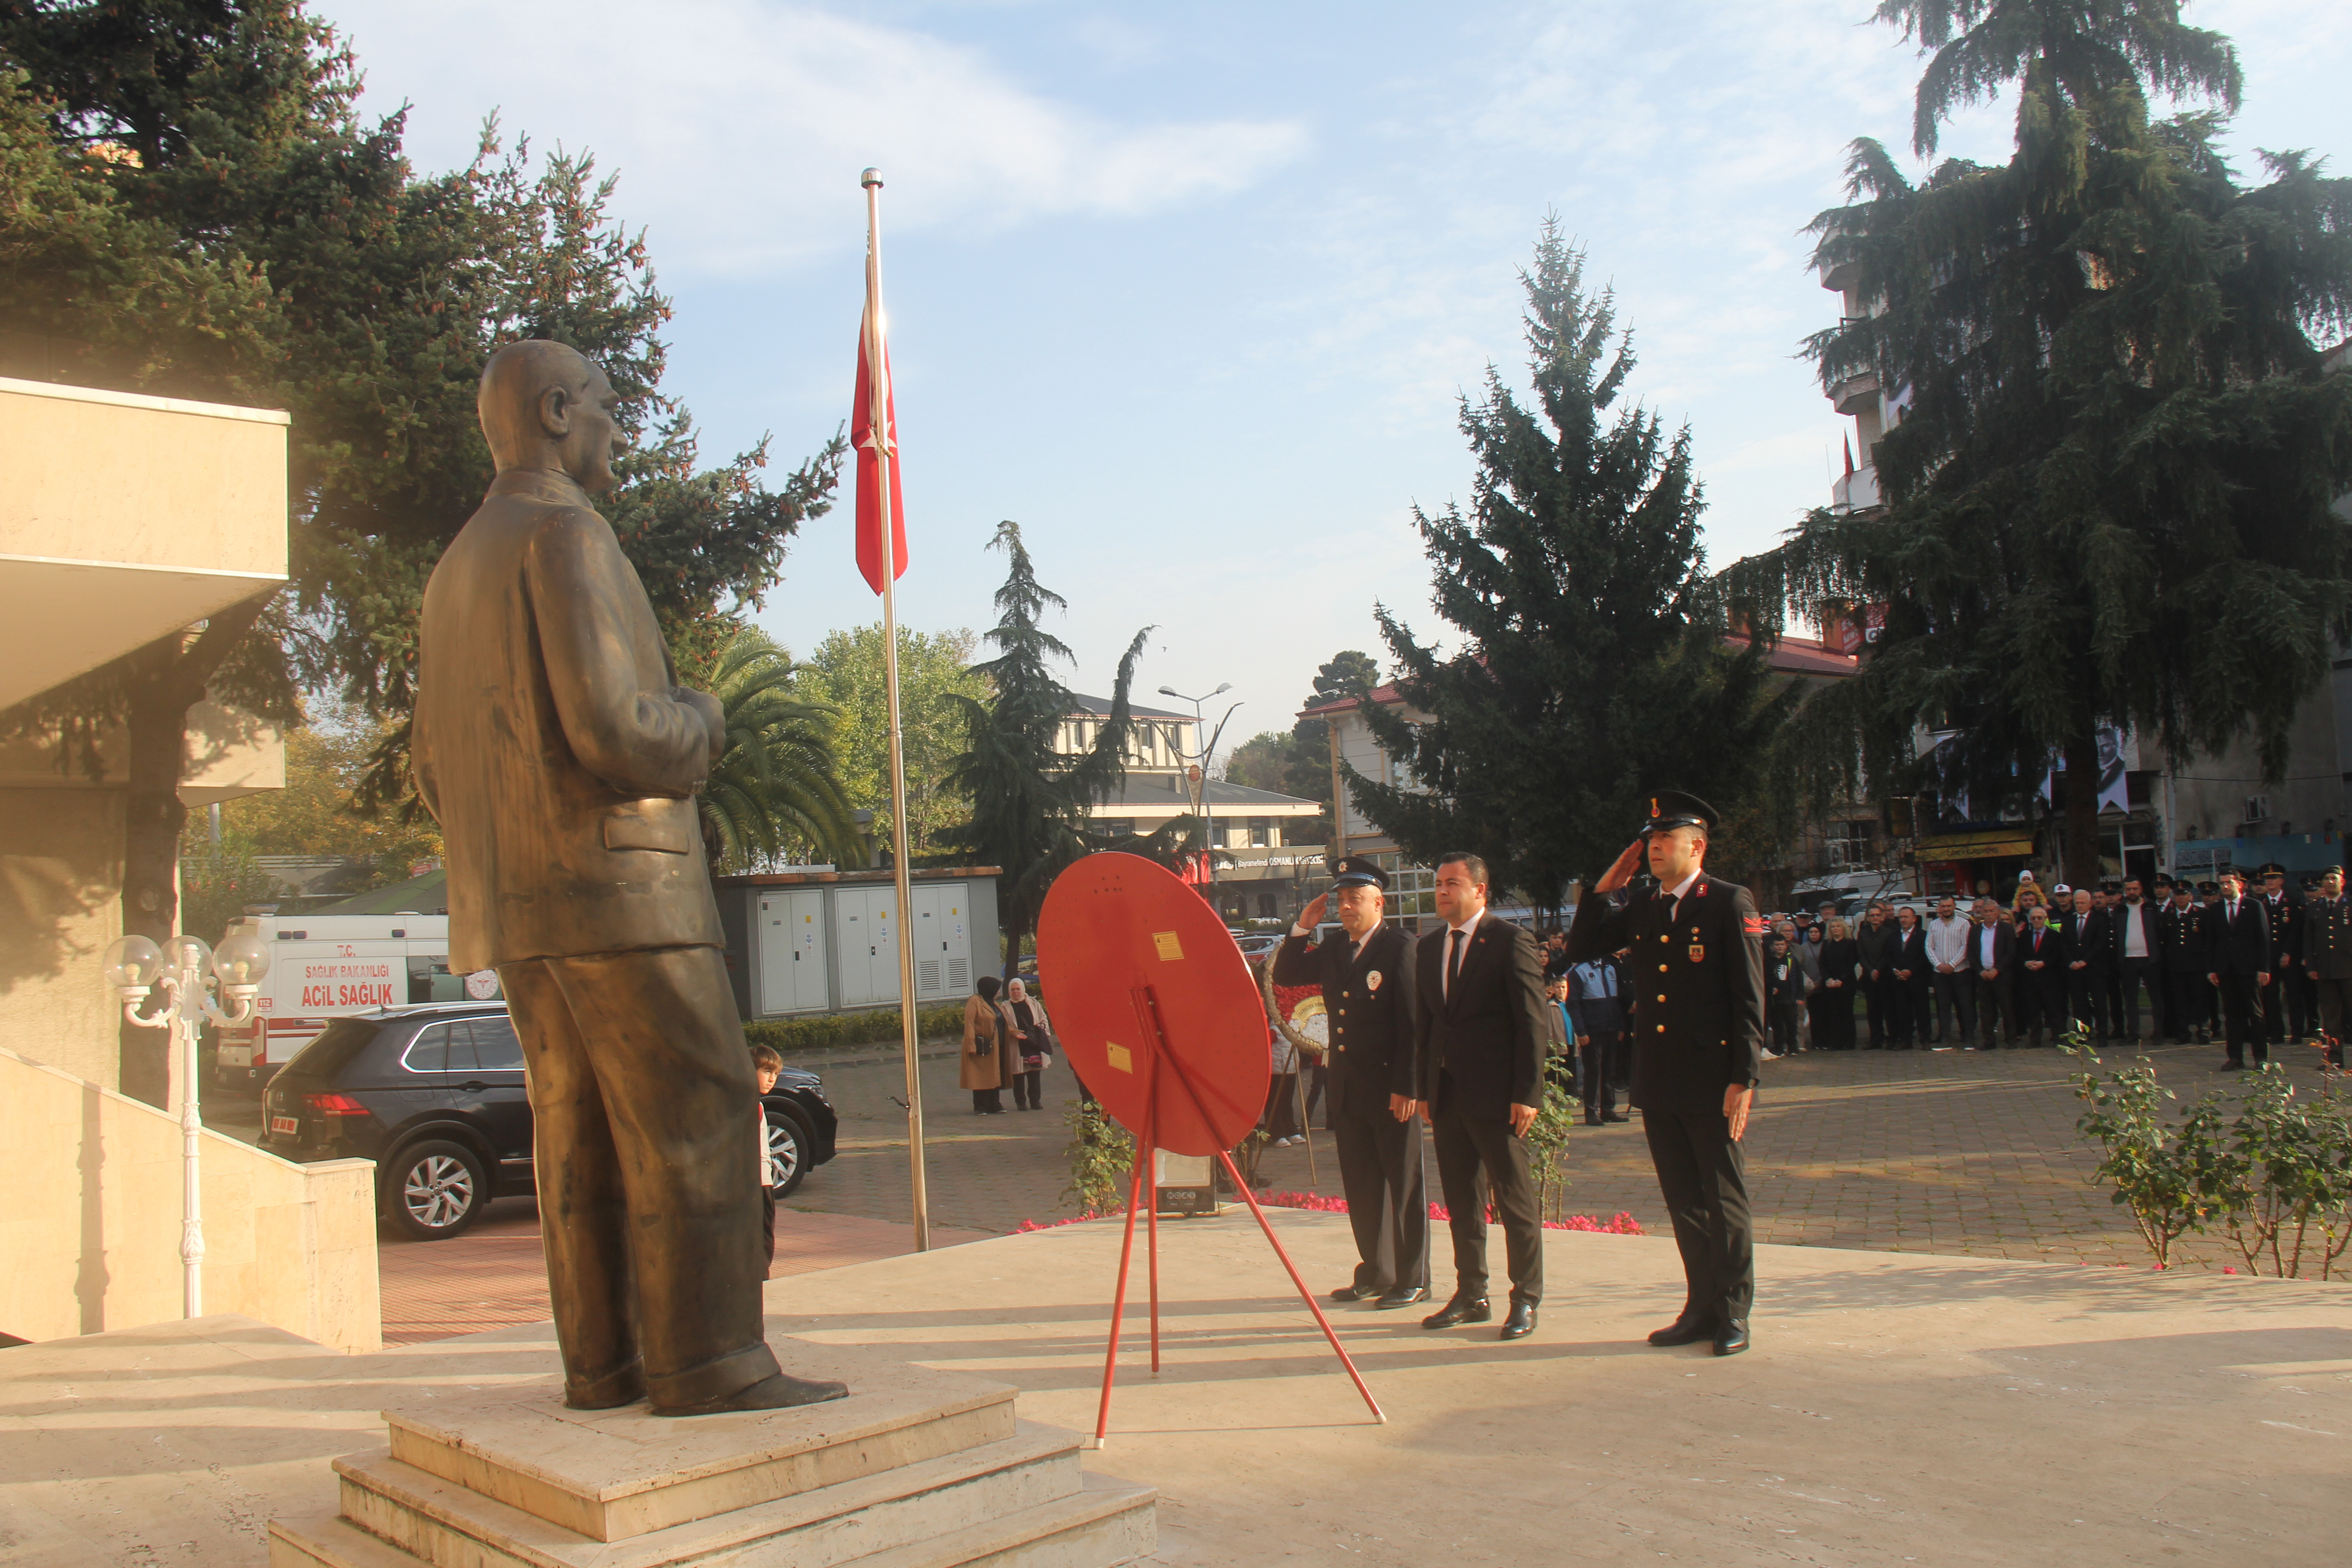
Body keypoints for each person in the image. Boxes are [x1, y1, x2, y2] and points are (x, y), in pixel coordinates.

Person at [412, 340, 838, 1416]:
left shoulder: (457, 565)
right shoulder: (565, 532)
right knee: (694, 1111)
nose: (617, 428)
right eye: (605, 407)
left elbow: (430, 768)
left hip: (516, 900)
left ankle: (601, 1364)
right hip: (624, 891)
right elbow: (614, 727)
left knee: (578, 1126)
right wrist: (700, 716)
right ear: (556, 411)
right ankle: (709, 1361)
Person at [1567, 791, 1765, 1358]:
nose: (1652, 850)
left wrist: (1744, 1076)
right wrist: (1610, 882)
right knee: (1684, 1200)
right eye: (1648, 842)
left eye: (1663, 841)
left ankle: (1733, 1313)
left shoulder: (1728, 902)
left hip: (1713, 1077)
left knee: (1723, 1199)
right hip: (1659, 1078)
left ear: (1696, 846)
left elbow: (1749, 997)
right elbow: (1584, 945)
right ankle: (1700, 1307)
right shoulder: (1646, 905)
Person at [1273, 858, 1428, 1308]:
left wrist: (1410, 1086)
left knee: (1403, 1185)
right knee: (1362, 1188)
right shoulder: (1338, 947)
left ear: (1379, 902)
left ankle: (1413, 1277)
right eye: (1341, 900)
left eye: (1355, 899)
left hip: (1390, 1089)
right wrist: (1303, 927)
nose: (1345, 908)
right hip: (1347, 1087)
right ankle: (1375, 1272)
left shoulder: (1400, 946)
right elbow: (1286, 975)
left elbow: (1413, 1024)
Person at [1413, 852, 1548, 1341]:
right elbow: (1427, 1025)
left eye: (1453, 883)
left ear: (1480, 891)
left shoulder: (1510, 942)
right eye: (1439, 884)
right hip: (1447, 1096)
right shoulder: (1429, 947)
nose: (1443, 892)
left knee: (1514, 1201)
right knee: (1462, 1201)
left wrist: (1527, 1093)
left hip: (1498, 1097)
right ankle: (1472, 1293)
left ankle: (1526, 1298)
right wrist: (1425, 1089)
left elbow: (1531, 1022)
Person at [2205, 868, 2273, 1070]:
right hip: (2226, 970)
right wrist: (2211, 969)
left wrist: (2264, 968)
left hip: (2250, 969)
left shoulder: (2254, 906)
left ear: (2239, 884)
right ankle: (2235, 1057)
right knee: (2232, 1015)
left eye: (2229, 883)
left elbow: (2263, 939)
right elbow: (2211, 941)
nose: (2226, 886)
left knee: (2256, 1014)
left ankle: (2261, 1058)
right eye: (2223, 883)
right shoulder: (2216, 909)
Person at [1567, 947, 1631, 1122]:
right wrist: (1581, 1031)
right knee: (1593, 1071)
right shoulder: (1579, 971)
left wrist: (1620, 1027)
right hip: (1592, 1030)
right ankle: (1591, 1111)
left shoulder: (1611, 968)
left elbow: (1617, 1000)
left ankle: (1608, 1109)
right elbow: (1573, 1004)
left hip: (1611, 1028)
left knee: (1610, 1070)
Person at [2301, 864, 2352, 1067]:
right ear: (2321, 884)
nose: (2330, 882)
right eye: (2327, 879)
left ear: (2343, 883)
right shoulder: (2315, 907)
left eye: (2334, 878)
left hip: (2349, 969)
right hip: (2325, 970)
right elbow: (2309, 940)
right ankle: (2334, 1059)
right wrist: (2311, 966)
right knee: (2331, 1019)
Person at [2258, 864, 2306, 1047]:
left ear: (2281, 881)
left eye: (2274, 878)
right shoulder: (2260, 903)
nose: (2270, 881)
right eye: (2267, 878)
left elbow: (2296, 931)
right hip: (2269, 958)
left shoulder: (2293, 901)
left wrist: (2288, 952)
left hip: (2289, 958)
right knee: (2270, 997)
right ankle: (2277, 1033)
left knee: (2294, 996)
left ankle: (2297, 1033)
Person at [2157, 881, 2208, 1044]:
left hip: (2197, 966)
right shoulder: (2169, 916)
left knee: (2200, 999)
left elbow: (2207, 940)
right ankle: (2183, 1032)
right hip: (2177, 967)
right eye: (2178, 895)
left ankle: (2204, 1031)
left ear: (2190, 896)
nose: (2181, 898)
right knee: (2180, 1001)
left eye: (2184, 894)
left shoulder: (2200, 914)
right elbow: (2164, 941)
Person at [2109, 878, 2158, 1042]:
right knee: (2130, 999)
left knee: (2156, 997)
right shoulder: (2120, 910)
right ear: (2124, 891)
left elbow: (2160, 932)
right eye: (2129, 889)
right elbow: (2115, 935)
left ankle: (2158, 1032)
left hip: (2150, 959)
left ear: (2141, 889)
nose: (2132, 892)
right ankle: (2133, 1034)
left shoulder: (2151, 907)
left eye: (2135, 889)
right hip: (2128, 960)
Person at [1965, 896, 2017, 1049]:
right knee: (1986, 1011)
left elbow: (2011, 953)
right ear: (1981, 912)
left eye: (1992, 911)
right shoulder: (1975, 930)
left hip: (2002, 976)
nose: (1989, 914)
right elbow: (1971, 953)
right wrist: (1981, 971)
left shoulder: (2006, 929)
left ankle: (2011, 1040)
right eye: (1986, 911)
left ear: (1998, 912)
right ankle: (1989, 1040)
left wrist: (1997, 970)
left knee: (2007, 1009)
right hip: (1983, 977)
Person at [2015, 906, 2070, 1047]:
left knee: (2054, 1011)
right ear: (2030, 920)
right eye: (2034, 918)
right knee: (2034, 1012)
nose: (2037, 920)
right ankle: (2035, 1040)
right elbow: (2018, 955)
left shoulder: (2055, 935)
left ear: (2046, 919)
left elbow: (2059, 955)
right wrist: (2026, 963)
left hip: (2050, 979)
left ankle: (2059, 1038)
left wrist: (2044, 963)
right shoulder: (2024, 936)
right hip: (2031, 980)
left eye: (2040, 918)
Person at [2063, 888, 2112, 1040]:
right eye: (2077, 903)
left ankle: (2102, 1034)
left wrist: (2085, 961)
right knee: (2079, 1005)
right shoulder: (2069, 920)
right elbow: (2064, 944)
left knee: (2099, 1003)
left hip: (2095, 969)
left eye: (2083, 903)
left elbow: (2100, 944)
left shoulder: (2100, 920)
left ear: (2090, 903)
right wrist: (2071, 961)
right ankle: (2082, 1033)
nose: (2080, 906)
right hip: (2075, 971)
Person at [750, 1044, 783, 1273]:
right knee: (761, 1240)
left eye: (776, 1074)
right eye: (767, 1072)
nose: (772, 1079)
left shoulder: (758, 1106)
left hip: (763, 1181)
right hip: (755, 1183)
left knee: (764, 1237)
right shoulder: (747, 1106)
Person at [1925, 896, 1972, 1048]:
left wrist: (1952, 964)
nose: (1946, 909)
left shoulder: (1964, 924)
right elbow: (1929, 947)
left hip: (1960, 971)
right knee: (1943, 1007)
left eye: (1949, 906)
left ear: (1954, 906)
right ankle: (1945, 1037)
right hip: (1940, 973)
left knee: (1964, 1006)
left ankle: (1968, 1037)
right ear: (1939, 908)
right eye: (1943, 906)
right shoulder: (1934, 925)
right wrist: (1939, 965)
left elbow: (1965, 947)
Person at [998, 979, 1053, 1112]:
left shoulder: (1034, 1003)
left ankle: (1036, 1101)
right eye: (1013, 990)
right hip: (1017, 1045)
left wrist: (1043, 1034)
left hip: (1033, 1045)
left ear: (1023, 989)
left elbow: (1043, 1018)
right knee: (1019, 1074)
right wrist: (1014, 1033)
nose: (1016, 992)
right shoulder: (1005, 1007)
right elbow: (1003, 1025)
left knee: (1035, 1074)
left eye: (1018, 989)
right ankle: (1021, 1102)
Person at [1810, 917, 1862, 1049]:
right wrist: (1828, 979)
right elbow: (1823, 963)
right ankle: (1835, 1042)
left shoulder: (1851, 943)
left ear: (1843, 928)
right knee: (1833, 1014)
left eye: (1838, 926)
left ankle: (1848, 1042)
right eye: (1833, 927)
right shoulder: (1827, 943)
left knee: (1847, 1013)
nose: (1836, 929)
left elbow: (1852, 963)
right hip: (1830, 984)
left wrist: (1841, 979)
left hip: (1847, 983)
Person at [963, 974, 1011, 1112]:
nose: (999, 992)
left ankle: (995, 1104)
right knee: (981, 1077)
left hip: (997, 1046)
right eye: (996, 989)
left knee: (995, 1076)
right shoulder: (975, 1001)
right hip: (982, 1045)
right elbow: (970, 1025)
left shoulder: (992, 1002)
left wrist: (1015, 1032)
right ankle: (981, 1106)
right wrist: (971, 1046)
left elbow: (999, 1022)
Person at [1857, 902, 1899, 1049]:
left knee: (1889, 1010)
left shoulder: (1890, 932)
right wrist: (1870, 970)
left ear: (1882, 916)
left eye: (1878, 915)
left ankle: (1893, 1039)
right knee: (1873, 1011)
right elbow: (1861, 955)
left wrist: (1878, 970)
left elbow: (1888, 955)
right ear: (1868, 918)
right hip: (1869, 977)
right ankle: (1876, 1039)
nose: (1875, 918)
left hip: (1886, 976)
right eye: (1872, 915)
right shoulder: (1863, 933)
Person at [1889, 905, 1930, 1049]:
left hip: (1917, 979)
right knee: (1902, 1011)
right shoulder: (1893, 936)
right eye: (1901, 917)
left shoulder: (1923, 935)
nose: (1903, 920)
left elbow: (1925, 957)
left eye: (1906, 917)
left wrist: (1911, 971)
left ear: (1914, 919)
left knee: (1922, 1011)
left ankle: (1925, 1039)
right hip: (1899, 980)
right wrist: (1895, 970)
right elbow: (1889, 956)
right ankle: (1905, 1040)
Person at [1766, 935, 1807, 1058]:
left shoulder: (1791, 959)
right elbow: (1767, 977)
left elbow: (1799, 978)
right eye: (1777, 945)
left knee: (1792, 1023)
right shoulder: (1769, 961)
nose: (1780, 947)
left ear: (1786, 946)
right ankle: (1779, 1047)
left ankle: (1793, 1047)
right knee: (1777, 1024)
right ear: (1773, 947)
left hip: (1790, 997)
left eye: (1782, 945)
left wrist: (1800, 995)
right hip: (1776, 999)